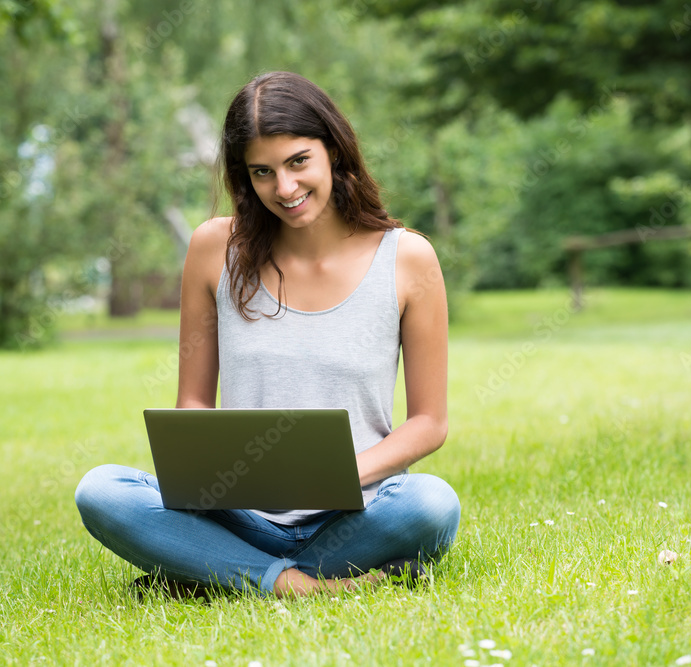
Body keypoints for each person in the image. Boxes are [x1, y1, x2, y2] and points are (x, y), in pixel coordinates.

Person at [75, 71, 460, 599]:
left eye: (298, 161)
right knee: (100, 491)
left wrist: (334, 476)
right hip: (237, 512)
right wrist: (204, 471)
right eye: (262, 172)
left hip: (354, 513)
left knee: (432, 505)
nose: (284, 188)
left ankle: (217, 572)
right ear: (244, 178)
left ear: (334, 151)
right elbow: (193, 402)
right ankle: (297, 583)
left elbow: (429, 423)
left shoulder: (407, 257)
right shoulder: (214, 249)